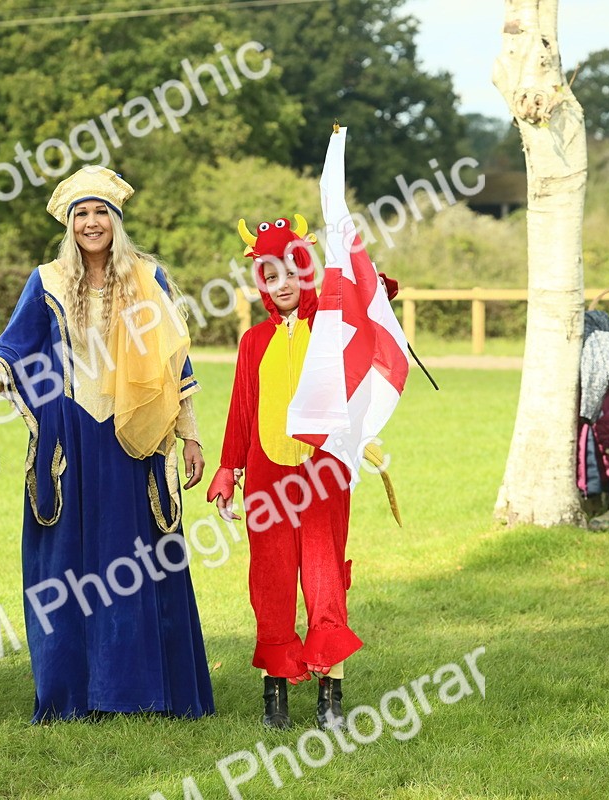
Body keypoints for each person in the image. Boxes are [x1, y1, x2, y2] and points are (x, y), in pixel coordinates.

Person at [0, 166, 214, 722]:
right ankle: (75, 696)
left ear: (117, 221)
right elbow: (14, 345)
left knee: (140, 563)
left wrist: (191, 436)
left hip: (136, 442)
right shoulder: (49, 280)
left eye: (100, 212)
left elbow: (174, 364)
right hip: (70, 442)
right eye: (81, 213)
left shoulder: (149, 280)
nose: (91, 222)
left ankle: (143, 693)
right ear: (70, 223)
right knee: (69, 568)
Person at [206, 216, 359, 731]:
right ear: (261, 284)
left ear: (307, 271)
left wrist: (374, 290)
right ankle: (275, 691)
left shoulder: (332, 330)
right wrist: (229, 468)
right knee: (270, 582)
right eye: (272, 275)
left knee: (323, 578)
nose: (284, 283)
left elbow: (369, 319)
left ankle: (330, 690)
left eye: (293, 270)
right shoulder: (253, 342)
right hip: (269, 483)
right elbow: (241, 411)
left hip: (324, 477)